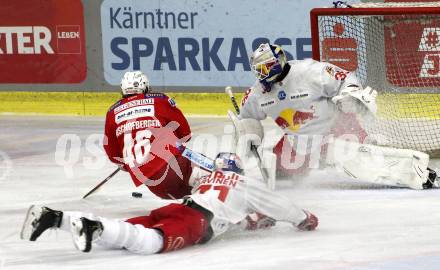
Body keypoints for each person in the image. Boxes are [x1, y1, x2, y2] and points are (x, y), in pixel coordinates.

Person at [231, 43, 438, 189]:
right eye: (259, 69)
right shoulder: (257, 93)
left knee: (370, 159)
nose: (263, 73)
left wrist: (350, 93)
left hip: (336, 129)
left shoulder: (309, 71)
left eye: (267, 66)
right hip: (298, 142)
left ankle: (418, 173)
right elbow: (247, 118)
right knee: (281, 172)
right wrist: (248, 134)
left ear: (279, 61)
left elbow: (345, 78)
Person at [20, 153, 318, 254]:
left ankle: (55, 217)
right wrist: (304, 217)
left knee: (120, 235)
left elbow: (232, 214)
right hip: (196, 221)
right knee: (150, 243)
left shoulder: (206, 180)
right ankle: (91, 225)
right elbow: (281, 205)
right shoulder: (245, 183)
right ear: (238, 171)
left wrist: (253, 221)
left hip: (178, 208)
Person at [104, 71, 202, 200]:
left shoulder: (112, 112)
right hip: (172, 167)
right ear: (145, 87)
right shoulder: (159, 100)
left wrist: (127, 164)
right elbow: (186, 134)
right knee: (214, 178)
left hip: (155, 186)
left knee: (188, 195)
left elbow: (114, 155)